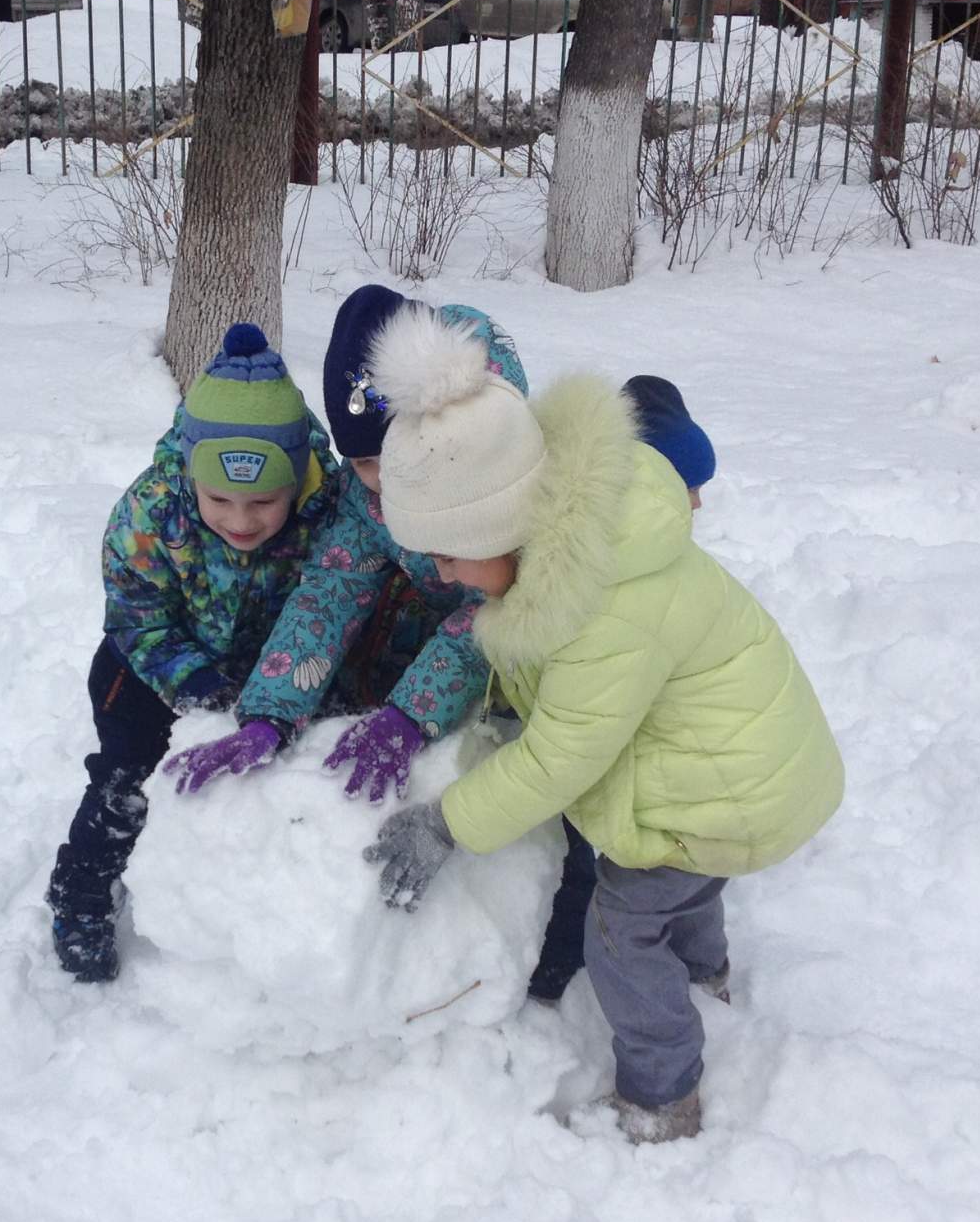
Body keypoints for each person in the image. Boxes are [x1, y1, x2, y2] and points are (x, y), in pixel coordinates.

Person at [359, 310, 843, 1143]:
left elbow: (563, 757)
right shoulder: (581, 549)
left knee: (620, 935)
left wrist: (447, 823)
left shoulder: (607, 604)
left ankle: (661, 1094)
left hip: (727, 792)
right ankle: (704, 971)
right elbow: (547, 667)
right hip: (741, 769)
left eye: (446, 553)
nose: (436, 574)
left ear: (498, 525)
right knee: (683, 883)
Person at [46, 324, 338, 982]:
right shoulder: (150, 512)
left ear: (297, 476)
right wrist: (193, 682)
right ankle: (82, 894)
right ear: (193, 475)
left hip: (269, 674)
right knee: (129, 778)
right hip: (146, 666)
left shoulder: (328, 510)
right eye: (220, 500)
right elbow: (137, 619)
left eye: (264, 501)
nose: (240, 520)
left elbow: (337, 599)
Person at [164, 286, 527, 802]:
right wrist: (270, 713)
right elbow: (329, 594)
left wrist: (410, 713)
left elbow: (492, 608)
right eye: (360, 462)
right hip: (438, 634)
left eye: (386, 453)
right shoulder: (367, 500)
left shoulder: (494, 476)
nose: (380, 479)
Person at [525, 373, 719, 1007]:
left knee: (637, 870)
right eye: (687, 487)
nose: (695, 505)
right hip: (638, 753)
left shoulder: (654, 561)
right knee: (608, 857)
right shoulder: (607, 564)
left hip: (657, 761)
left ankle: (589, 962)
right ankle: (693, 966)